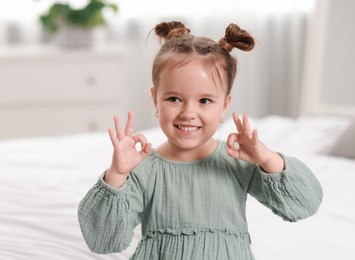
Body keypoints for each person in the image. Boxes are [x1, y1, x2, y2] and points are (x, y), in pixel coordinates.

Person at [78, 21, 323, 259]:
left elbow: (304, 205)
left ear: (224, 104)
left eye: (205, 101)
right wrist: (117, 174)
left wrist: (267, 158)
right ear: (155, 99)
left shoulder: (236, 161)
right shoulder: (143, 170)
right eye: (174, 99)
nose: (188, 113)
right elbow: (103, 240)